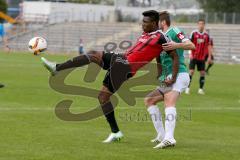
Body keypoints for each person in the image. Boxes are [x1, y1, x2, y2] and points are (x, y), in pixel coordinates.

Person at [41, 10, 179, 143]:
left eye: (146, 22)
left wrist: (172, 76)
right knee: (93, 54)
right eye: (142, 21)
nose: (142, 24)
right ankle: (57, 68)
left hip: (124, 68)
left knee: (102, 96)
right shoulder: (145, 33)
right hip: (121, 59)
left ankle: (115, 132)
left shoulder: (161, 37)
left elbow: (174, 56)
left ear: (155, 23)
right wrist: (159, 70)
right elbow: (157, 55)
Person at [144, 11, 195, 149]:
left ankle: (169, 138)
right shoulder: (159, 37)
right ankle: (161, 135)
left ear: (162, 22)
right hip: (168, 77)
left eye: (156, 22)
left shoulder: (174, 31)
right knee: (149, 100)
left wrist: (176, 45)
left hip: (180, 74)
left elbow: (191, 45)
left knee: (169, 102)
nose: (154, 24)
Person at [185, 19, 212, 95]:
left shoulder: (206, 35)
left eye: (202, 24)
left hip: (202, 58)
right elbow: (189, 43)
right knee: (191, 72)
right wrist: (190, 53)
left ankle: (200, 89)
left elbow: (209, 46)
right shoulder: (194, 33)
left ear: (204, 25)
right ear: (198, 25)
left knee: (202, 73)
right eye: (200, 24)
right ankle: (187, 88)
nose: (201, 25)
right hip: (194, 56)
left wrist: (209, 56)